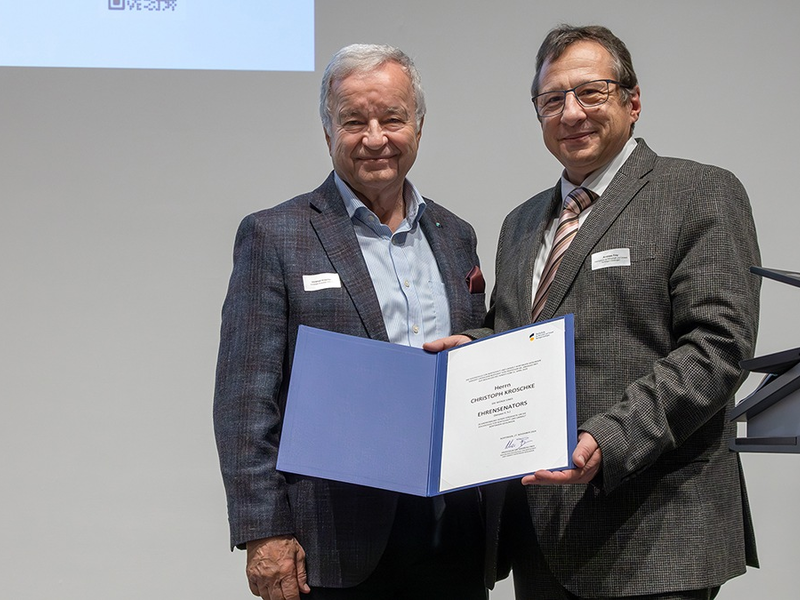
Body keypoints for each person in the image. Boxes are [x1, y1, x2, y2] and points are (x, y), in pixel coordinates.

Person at [425, 24, 760, 599]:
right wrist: (477, 348)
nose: (572, 112)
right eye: (552, 99)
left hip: (654, 534)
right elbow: (522, 336)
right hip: (540, 531)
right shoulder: (520, 223)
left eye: (591, 92)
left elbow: (718, 347)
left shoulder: (699, 192)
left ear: (633, 102)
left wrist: (609, 438)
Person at [213, 44, 488, 600]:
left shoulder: (456, 236)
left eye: (392, 118)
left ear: (418, 125)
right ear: (327, 131)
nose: (375, 138)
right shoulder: (275, 235)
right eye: (354, 121)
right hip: (332, 542)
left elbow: (476, 347)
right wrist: (264, 531)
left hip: (452, 531)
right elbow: (245, 400)